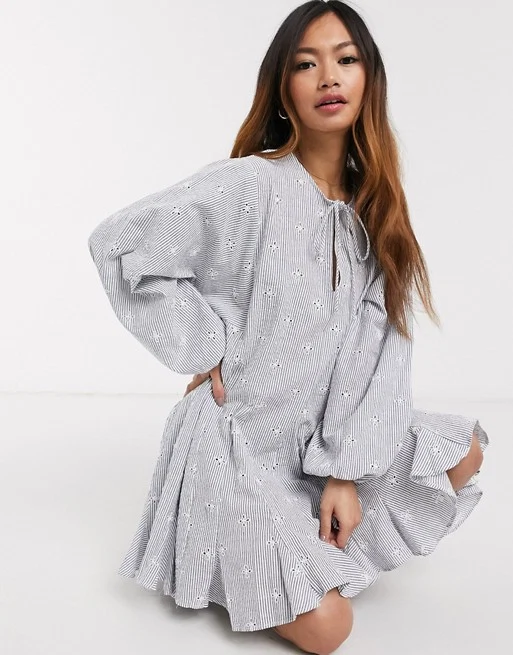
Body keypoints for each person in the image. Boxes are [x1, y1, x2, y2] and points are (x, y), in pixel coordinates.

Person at [87, 2, 489, 653]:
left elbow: (375, 356)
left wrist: (343, 473)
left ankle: (309, 544)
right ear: (283, 88)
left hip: (318, 438)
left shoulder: (375, 212)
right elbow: (122, 243)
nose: (328, 76)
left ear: (368, 79)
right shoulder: (253, 184)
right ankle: (262, 554)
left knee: (463, 449)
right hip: (239, 444)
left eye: (345, 59)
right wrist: (204, 345)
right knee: (329, 630)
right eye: (305, 64)